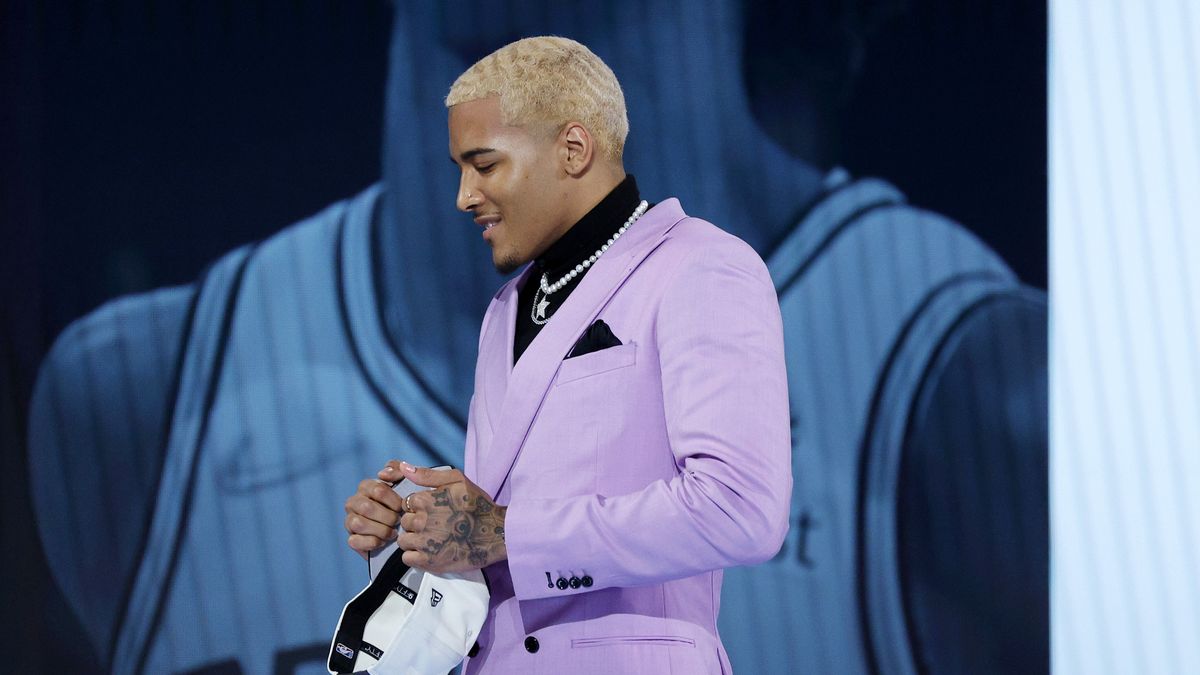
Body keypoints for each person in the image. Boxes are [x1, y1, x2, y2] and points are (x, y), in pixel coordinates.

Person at [343, 36, 792, 674]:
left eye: (485, 164)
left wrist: (500, 531)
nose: (463, 196)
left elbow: (739, 509)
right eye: (459, 169)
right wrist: (419, 531)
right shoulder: (503, 311)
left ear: (573, 149)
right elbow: (502, 533)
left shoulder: (701, 266)